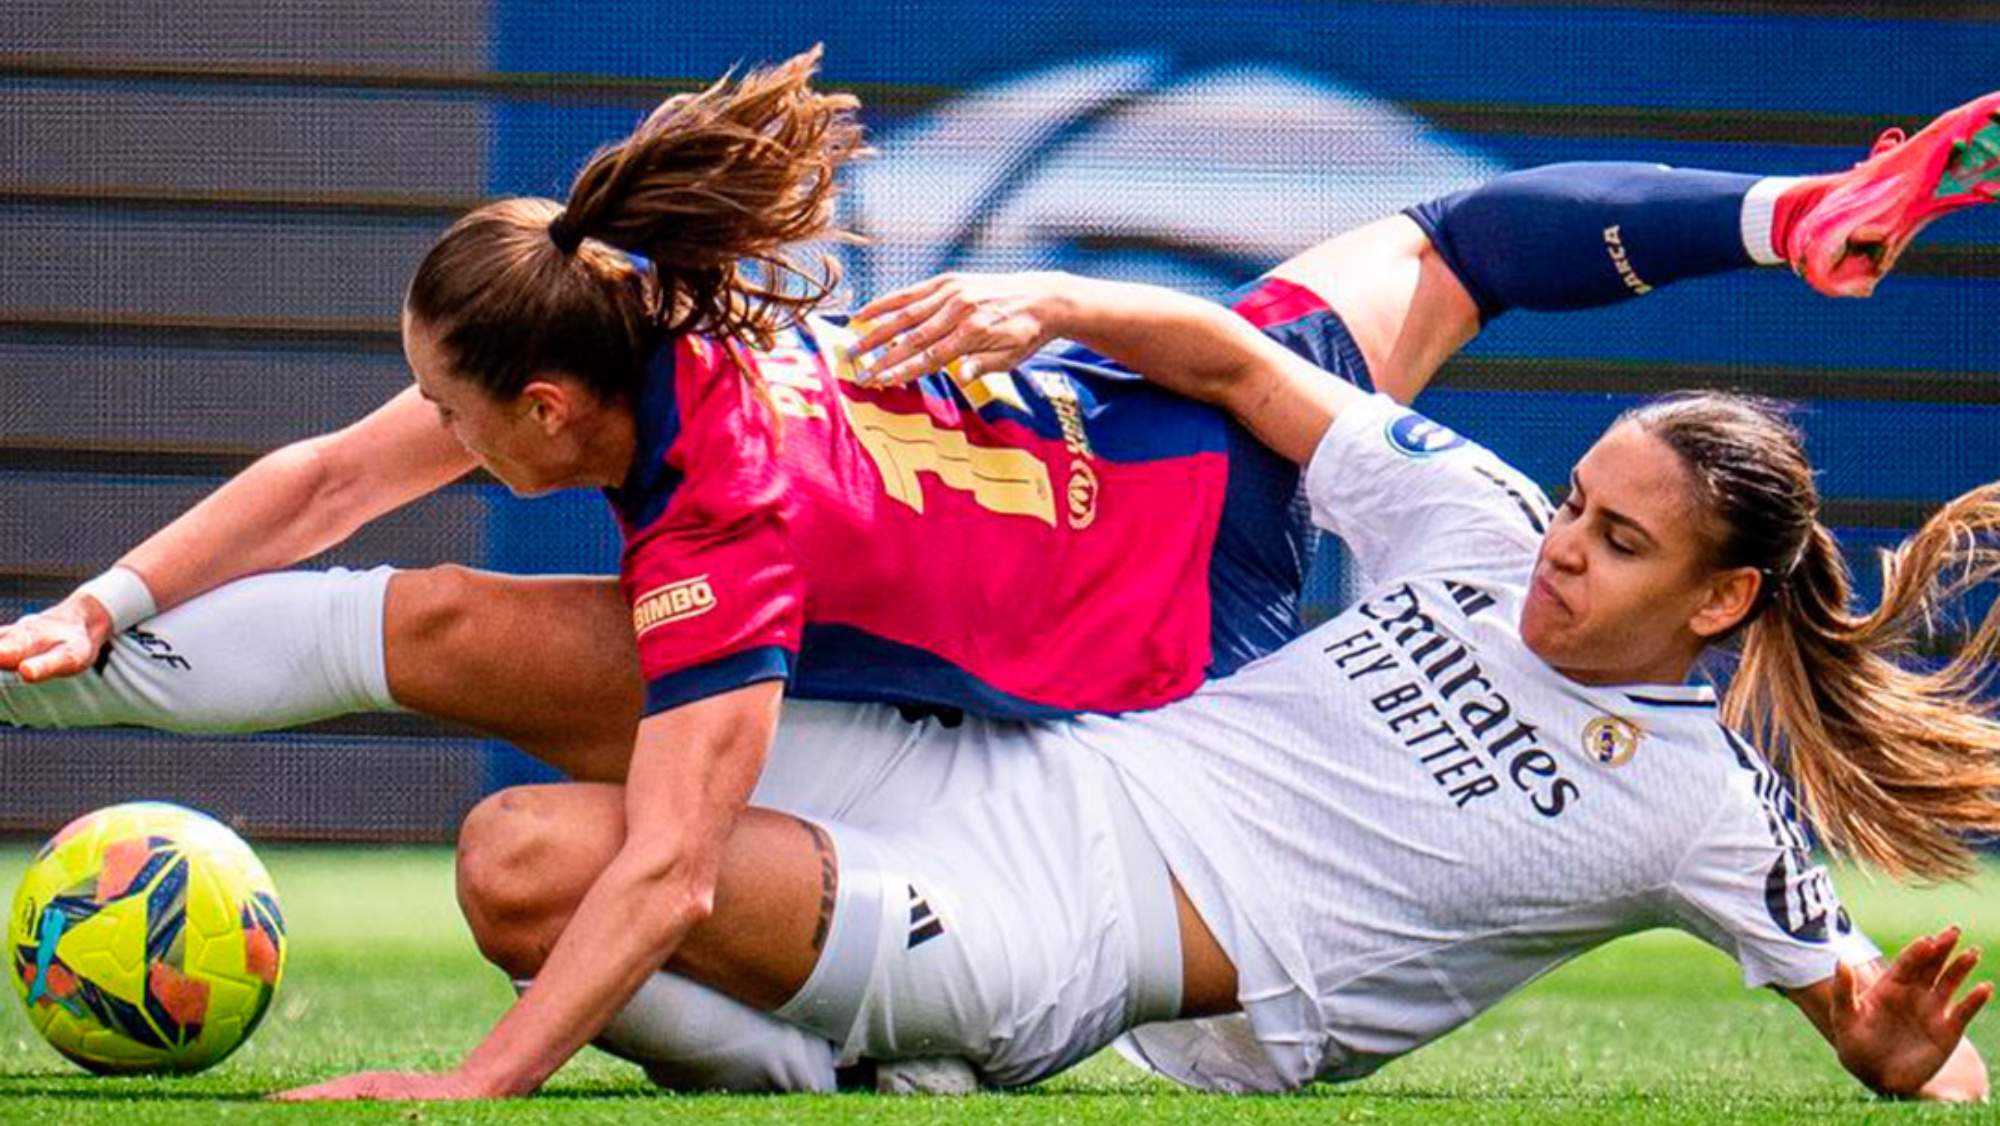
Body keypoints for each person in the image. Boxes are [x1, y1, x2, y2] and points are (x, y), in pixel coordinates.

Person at [7, 66, 1999, 1099]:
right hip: (1095, 578)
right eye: (1580, 510)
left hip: (1134, 707)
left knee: (558, 844)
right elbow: (1452, 248)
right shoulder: (1327, 449)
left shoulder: (741, 499)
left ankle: (842, 1048)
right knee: (451, 634)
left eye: (1620, 538)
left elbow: (668, 859)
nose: (1560, 546)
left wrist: (472, 1086)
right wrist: (1786, 210)